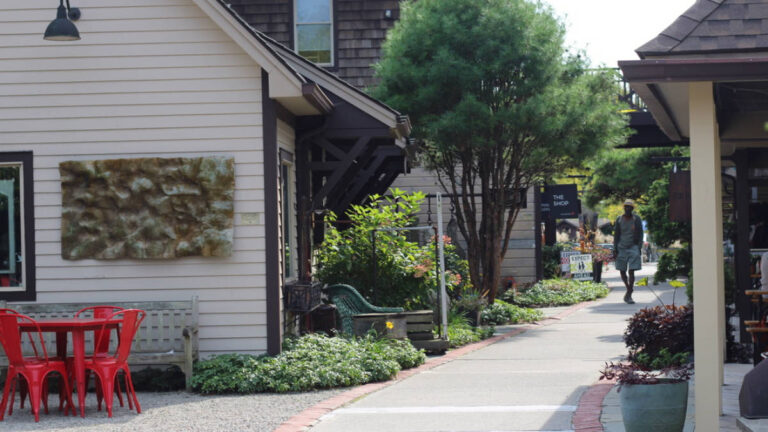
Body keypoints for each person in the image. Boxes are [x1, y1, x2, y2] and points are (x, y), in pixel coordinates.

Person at [613, 199, 643, 304]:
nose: (627, 209)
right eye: (626, 207)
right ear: (624, 208)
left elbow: (640, 234)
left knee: (632, 270)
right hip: (621, 247)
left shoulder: (636, 219)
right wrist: (615, 248)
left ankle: (629, 294)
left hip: (633, 247)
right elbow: (616, 235)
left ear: (632, 208)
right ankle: (629, 289)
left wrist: (639, 247)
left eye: (629, 207)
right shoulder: (619, 219)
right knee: (622, 270)